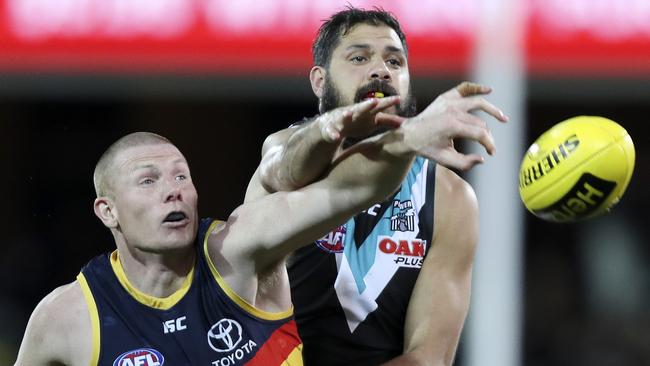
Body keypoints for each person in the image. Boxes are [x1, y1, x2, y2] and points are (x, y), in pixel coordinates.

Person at [14, 83, 500, 366]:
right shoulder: (68, 318)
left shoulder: (239, 249)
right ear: (107, 211)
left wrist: (409, 138)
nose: (173, 189)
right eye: (149, 180)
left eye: (182, 175)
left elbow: (345, 191)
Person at [243, 7, 508, 366]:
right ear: (319, 82)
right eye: (359, 57)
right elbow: (286, 171)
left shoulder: (448, 197)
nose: (381, 70)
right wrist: (334, 128)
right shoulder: (284, 147)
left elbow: (428, 358)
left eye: (395, 62)